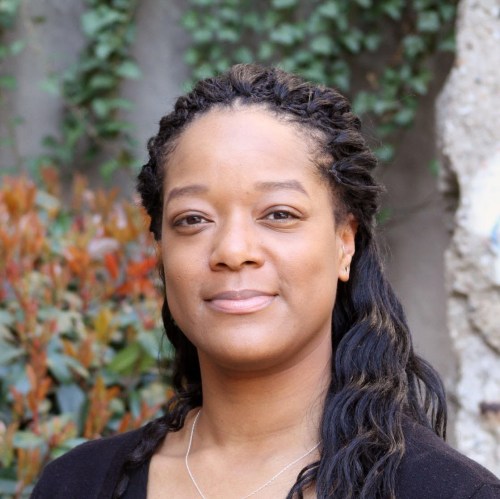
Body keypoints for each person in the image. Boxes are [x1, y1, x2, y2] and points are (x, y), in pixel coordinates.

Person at [32, 64, 500, 499]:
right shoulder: (75, 486)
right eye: (193, 219)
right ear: (161, 251)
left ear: (344, 243)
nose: (233, 251)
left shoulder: (449, 492)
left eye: (279, 214)